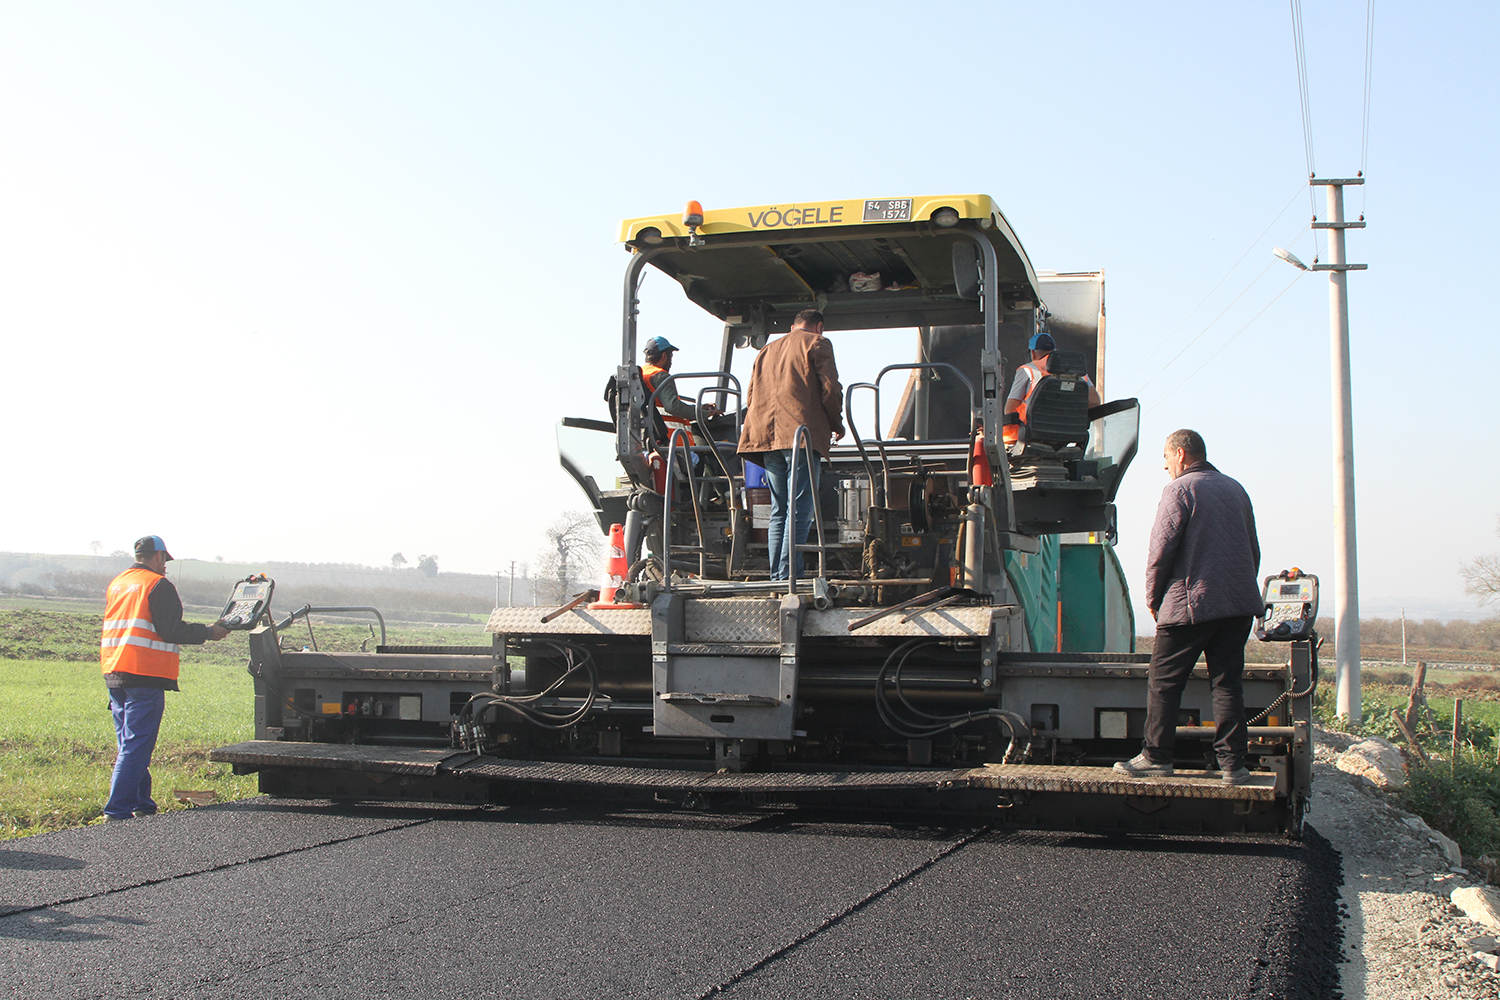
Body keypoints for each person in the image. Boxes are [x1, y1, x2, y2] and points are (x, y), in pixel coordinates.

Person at [1114, 431, 1264, 785]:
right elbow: (1252, 550)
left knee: (1164, 682)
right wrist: (1239, 591)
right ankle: (1233, 766)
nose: (1164, 466)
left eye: (1166, 458)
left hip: (1191, 603)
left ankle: (1156, 757)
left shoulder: (1179, 490)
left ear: (1180, 454)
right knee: (1227, 683)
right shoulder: (1235, 488)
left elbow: (1161, 551)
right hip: (1237, 605)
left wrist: (1153, 599)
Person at [100, 535, 229, 820]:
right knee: (136, 746)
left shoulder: (119, 583)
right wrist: (210, 632)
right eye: (165, 561)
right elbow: (171, 630)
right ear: (158, 556)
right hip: (145, 673)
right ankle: (117, 810)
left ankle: (142, 805)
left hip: (114, 672)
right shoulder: (158, 585)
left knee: (129, 743)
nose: (166, 567)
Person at [737, 309, 844, 580]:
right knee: (799, 509)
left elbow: (751, 395)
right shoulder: (817, 343)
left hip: (766, 437)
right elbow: (830, 389)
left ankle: (778, 575)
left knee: (779, 509)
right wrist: (836, 424)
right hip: (799, 437)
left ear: (792, 325)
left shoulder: (766, 350)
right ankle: (788, 576)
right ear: (818, 326)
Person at [1003, 332, 1101, 445]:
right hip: (1068, 436)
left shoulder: (1027, 370)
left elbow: (1010, 409)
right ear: (1055, 350)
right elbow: (1095, 402)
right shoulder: (1078, 373)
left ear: (1033, 353)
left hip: (1031, 436)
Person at [641, 335, 719, 445]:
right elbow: (673, 406)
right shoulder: (660, 375)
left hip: (649, 440)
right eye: (670, 357)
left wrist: (699, 407)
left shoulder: (642, 375)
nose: (671, 362)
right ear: (664, 356)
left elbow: (661, 404)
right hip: (672, 444)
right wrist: (704, 414)